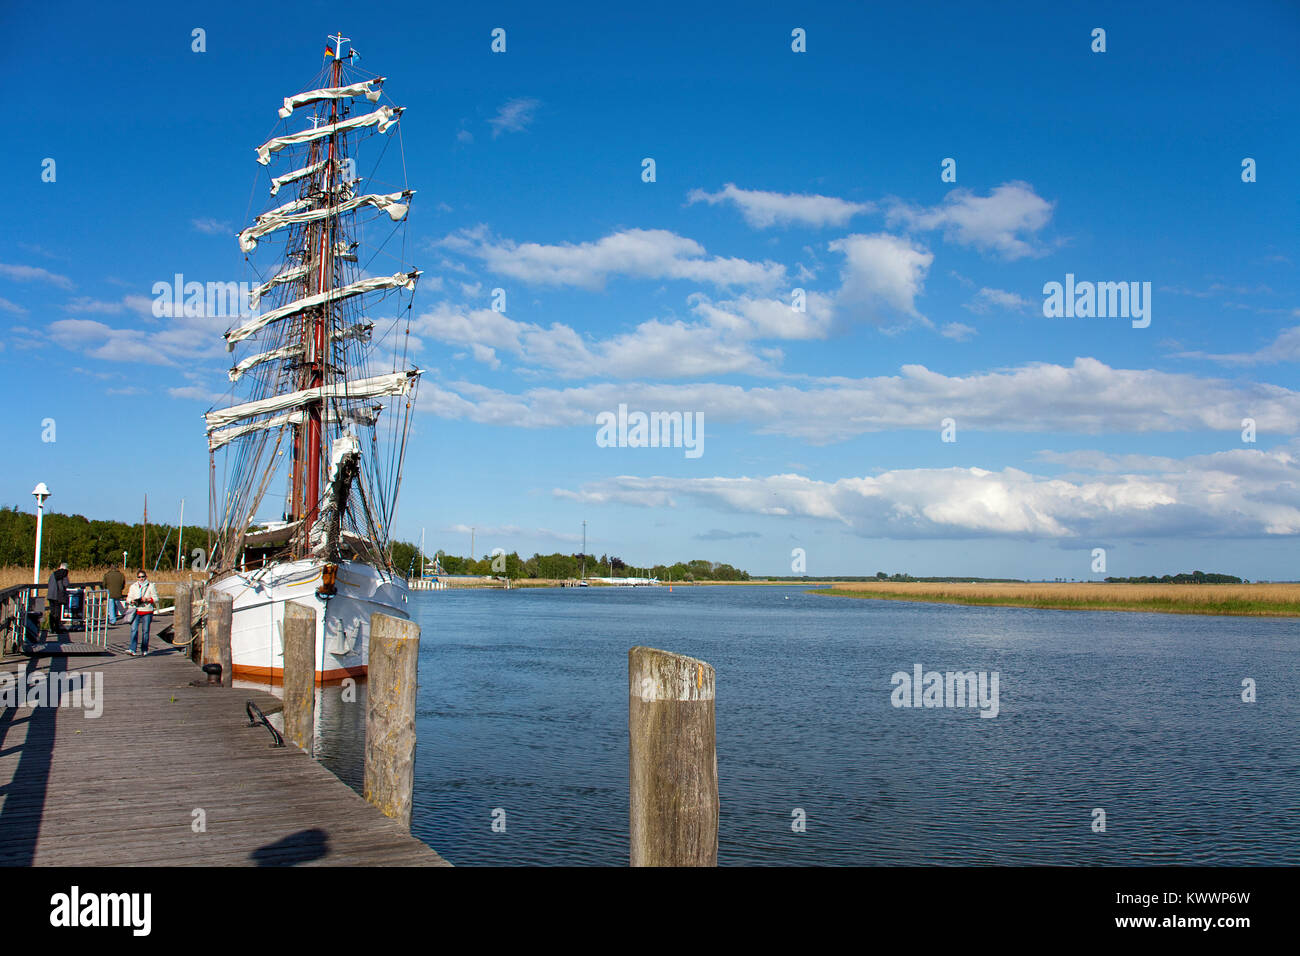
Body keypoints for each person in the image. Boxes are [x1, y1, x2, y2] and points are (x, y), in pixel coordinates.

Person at [126, 569, 159, 656]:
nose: (141, 579)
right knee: (134, 630)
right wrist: (132, 601)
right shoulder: (133, 586)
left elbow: (156, 598)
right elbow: (128, 598)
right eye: (139, 577)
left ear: (146, 577)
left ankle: (144, 649)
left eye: (143, 577)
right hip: (136, 610)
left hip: (147, 610)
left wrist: (148, 599)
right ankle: (132, 649)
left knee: (145, 631)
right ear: (137, 578)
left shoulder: (151, 586)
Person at [46, 562, 70, 635]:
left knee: (52, 612)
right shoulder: (64, 574)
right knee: (57, 612)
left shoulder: (53, 574)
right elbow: (66, 584)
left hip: (50, 595)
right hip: (58, 596)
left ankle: (51, 628)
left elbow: (49, 583)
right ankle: (57, 628)